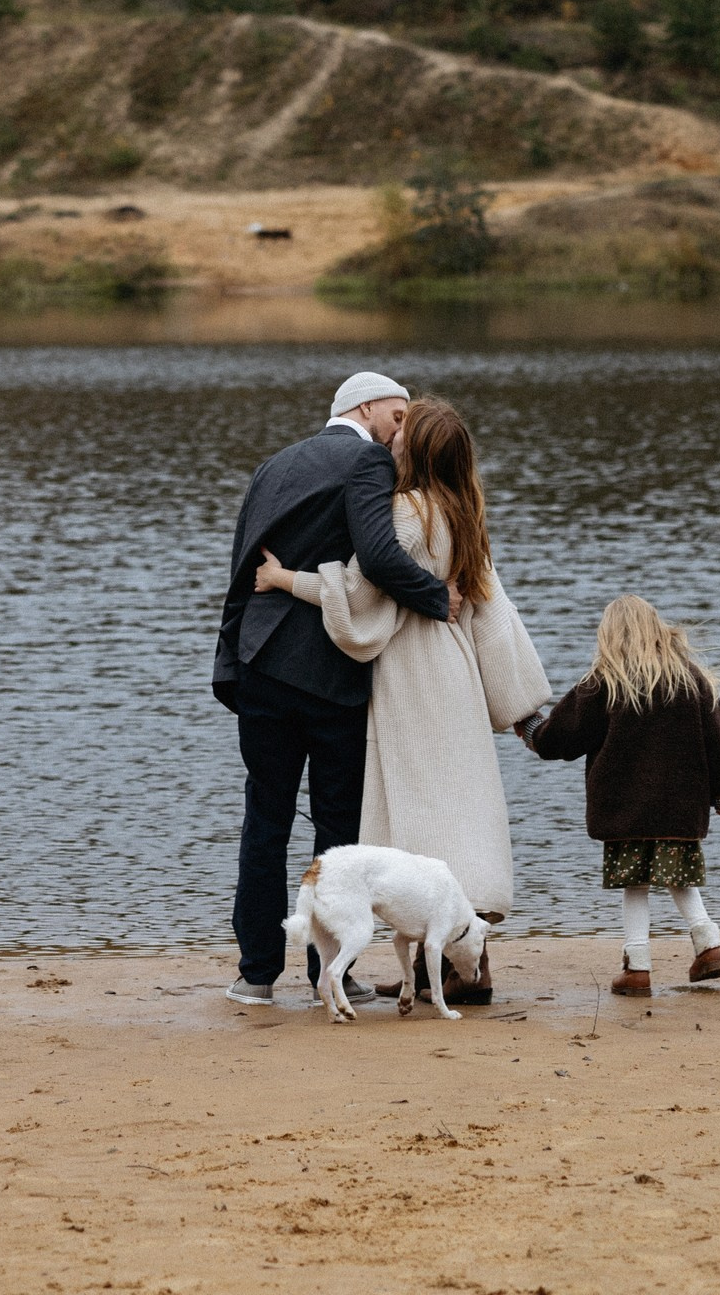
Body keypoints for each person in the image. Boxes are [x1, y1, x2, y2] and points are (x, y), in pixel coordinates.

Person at [253, 395, 549, 1004]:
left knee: (420, 817)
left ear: (416, 451)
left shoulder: (408, 511)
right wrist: (519, 708)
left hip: (413, 676)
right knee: (460, 812)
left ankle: (444, 966)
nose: (391, 440)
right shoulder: (465, 514)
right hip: (457, 676)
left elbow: (358, 591)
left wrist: (284, 579)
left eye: (403, 434)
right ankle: (469, 964)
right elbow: (495, 616)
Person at [213, 370, 453, 1006]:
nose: (401, 431)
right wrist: (436, 596)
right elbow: (377, 555)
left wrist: (229, 664)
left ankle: (255, 976)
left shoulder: (273, 465)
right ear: (365, 408)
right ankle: (334, 977)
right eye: (397, 416)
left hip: (260, 664)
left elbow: (241, 569)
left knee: (264, 822)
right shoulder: (369, 461)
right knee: (338, 834)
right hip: (330, 672)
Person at [519, 593, 720, 999]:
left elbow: (559, 739)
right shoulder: (692, 681)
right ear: (657, 629)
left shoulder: (604, 683)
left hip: (625, 809)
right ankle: (708, 945)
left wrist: (529, 726)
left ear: (609, 636)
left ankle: (637, 968)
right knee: (679, 876)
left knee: (634, 885)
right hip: (679, 809)